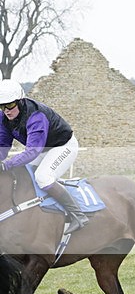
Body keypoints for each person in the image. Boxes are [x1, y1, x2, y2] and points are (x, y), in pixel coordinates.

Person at [0, 79, 89, 233]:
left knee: (43, 177)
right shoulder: (3, 118)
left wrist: (7, 164)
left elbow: (32, 151)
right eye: (2, 106)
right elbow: (3, 146)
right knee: (21, 174)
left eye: (10, 105)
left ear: (20, 101)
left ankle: (78, 215)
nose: (6, 110)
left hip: (63, 146)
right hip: (43, 149)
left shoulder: (36, 116)